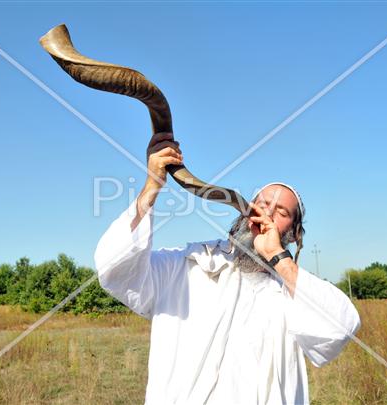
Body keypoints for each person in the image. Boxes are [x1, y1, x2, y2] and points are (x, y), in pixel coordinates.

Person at [94, 132, 361, 405]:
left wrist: (277, 258)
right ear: (245, 211)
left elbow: (339, 329)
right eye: (263, 204)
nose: (267, 214)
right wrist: (152, 186)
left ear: (292, 233)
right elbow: (114, 269)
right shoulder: (190, 264)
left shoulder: (292, 293)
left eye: (281, 213)